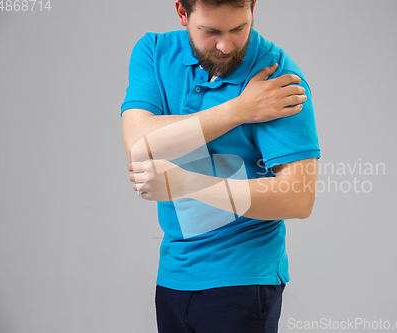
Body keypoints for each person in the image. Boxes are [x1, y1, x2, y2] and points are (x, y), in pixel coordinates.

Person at [120, 0, 320, 331]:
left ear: (253, 6)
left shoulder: (278, 81)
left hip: (242, 280)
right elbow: (139, 146)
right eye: (210, 32)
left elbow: (299, 198)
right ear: (182, 13)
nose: (226, 46)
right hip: (173, 275)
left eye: (239, 29)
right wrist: (239, 110)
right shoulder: (154, 52)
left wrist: (188, 184)